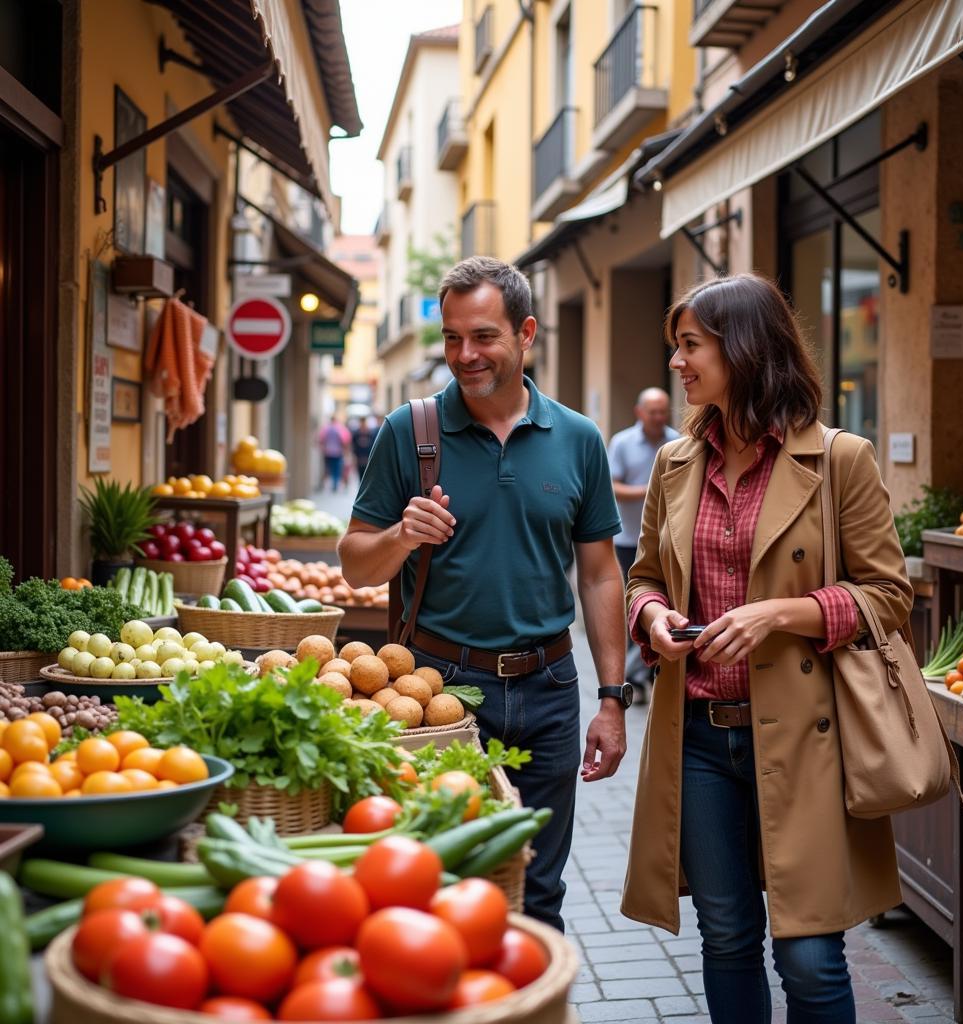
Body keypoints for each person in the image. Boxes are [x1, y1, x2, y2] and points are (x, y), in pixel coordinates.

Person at [621, 274, 913, 1023]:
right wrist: (652, 618)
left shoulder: (839, 459)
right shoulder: (676, 464)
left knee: (811, 958)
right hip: (699, 742)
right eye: (676, 348)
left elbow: (888, 596)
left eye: (690, 347)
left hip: (808, 740)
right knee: (726, 939)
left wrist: (780, 614)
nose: (677, 365)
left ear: (743, 349)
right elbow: (644, 576)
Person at [340, 256, 629, 932]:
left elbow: (599, 574)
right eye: (452, 338)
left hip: (552, 687)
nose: (464, 355)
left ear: (525, 333)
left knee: (540, 888)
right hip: (436, 690)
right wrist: (402, 537)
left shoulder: (579, 438)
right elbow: (355, 564)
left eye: (483, 336)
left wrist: (612, 699)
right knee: (445, 885)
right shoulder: (409, 433)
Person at [607, 387, 679, 702]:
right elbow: (613, 487)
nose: (659, 417)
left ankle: (647, 672)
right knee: (634, 605)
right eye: (653, 412)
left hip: (668, 541)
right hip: (628, 539)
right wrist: (651, 491)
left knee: (664, 605)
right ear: (640, 413)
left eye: (663, 411)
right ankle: (633, 677)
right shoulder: (622, 442)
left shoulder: (676, 440)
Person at [317, 415, 351, 492]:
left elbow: (321, 439)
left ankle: (327, 484)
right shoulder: (340, 428)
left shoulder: (326, 428)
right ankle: (335, 485)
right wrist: (346, 450)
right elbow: (345, 440)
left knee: (328, 469)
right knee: (336, 469)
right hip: (338, 453)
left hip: (328, 452)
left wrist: (323, 448)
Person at [351, 415, 379, 482]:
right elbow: (353, 446)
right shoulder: (356, 433)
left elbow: (373, 445)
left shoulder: (370, 433)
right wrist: (354, 457)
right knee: (360, 476)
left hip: (367, 458)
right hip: (359, 458)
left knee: (367, 476)